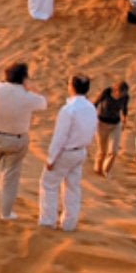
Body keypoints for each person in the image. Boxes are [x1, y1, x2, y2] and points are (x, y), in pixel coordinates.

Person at [0, 61, 48, 220]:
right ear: (24, 78)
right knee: (10, 175)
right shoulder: (28, 96)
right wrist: (31, 87)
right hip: (16, 140)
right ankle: (5, 213)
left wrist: (1, 82)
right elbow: (43, 103)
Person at [40, 74, 96, 232]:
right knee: (73, 187)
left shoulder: (68, 109)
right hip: (80, 151)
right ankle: (69, 224)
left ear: (72, 87)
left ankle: (47, 222)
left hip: (66, 152)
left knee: (49, 185)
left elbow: (60, 137)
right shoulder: (91, 107)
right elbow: (92, 130)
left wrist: (51, 159)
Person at [93, 82, 130, 176]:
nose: (122, 96)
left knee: (113, 152)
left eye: (124, 94)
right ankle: (98, 169)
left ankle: (106, 171)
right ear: (116, 91)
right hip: (102, 124)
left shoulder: (125, 97)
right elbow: (95, 104)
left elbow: (125, 108)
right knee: (102, 151)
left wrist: (125, 119)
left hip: (115, 124)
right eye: (121, 94)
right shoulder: (106, 92)